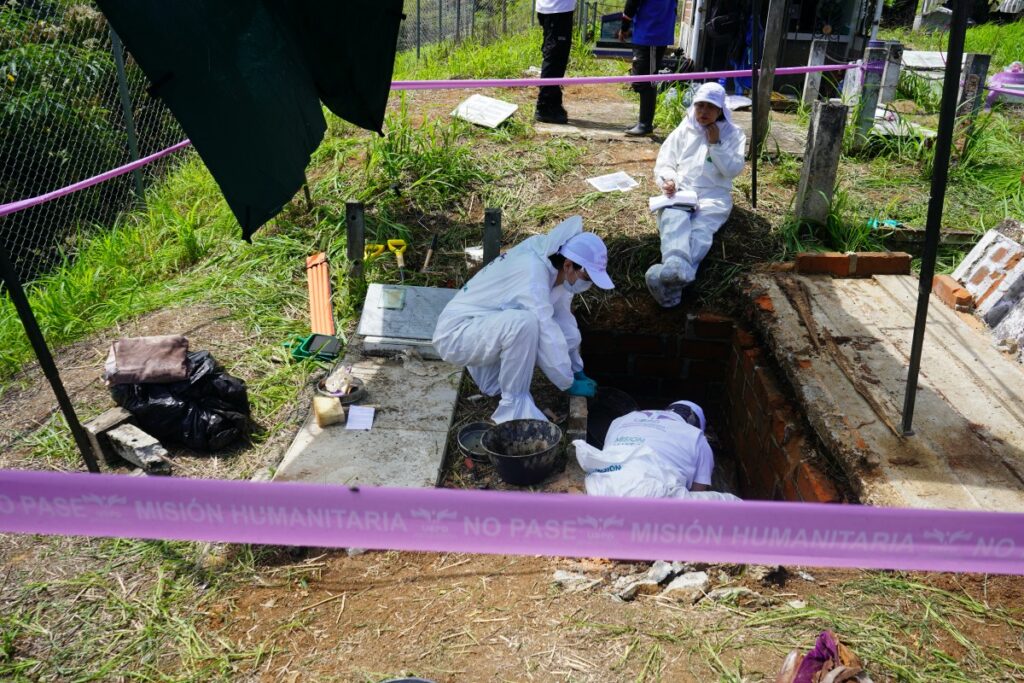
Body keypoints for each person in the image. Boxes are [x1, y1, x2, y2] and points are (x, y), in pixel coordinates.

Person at [432, 216, 614, 424]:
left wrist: (576, 368)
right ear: (569, 264)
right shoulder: (532, 272)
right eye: (587, 277)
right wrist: (567, 382)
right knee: (524, 324)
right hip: (456, 335)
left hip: (482, 325)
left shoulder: (555, 271)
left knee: (527, 322)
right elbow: (545, 328)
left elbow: (564, 323)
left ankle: (493, 383)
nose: (588, 284)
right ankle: (514, 409)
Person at [646, 82, 745, 307]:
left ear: (720, 110)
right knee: (673, 219)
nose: (703, 112)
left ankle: (668, 287)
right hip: (683, 190)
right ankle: (675, 264)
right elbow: (665, 162)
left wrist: (716, 144)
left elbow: (732, 170)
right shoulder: (684, 129)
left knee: (701, 230)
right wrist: (669, 180)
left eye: (710, 107)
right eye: (699, 105)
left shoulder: (733, 134)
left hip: (714, 195)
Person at [574, 399, 741, 500]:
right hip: (654, 495)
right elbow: (697, 493)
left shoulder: (622, 419)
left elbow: (610, 455)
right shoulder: (697, 437)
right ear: (695, 423)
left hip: (601, 488)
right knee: (732, 504)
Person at [617, 0, 678, 136]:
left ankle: (645, 124)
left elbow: (631, 4)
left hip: (651, 33)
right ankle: (643, 122)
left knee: (648, 81)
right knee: (644, 78)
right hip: (654, 30)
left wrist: (624, 26)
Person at [535, 0, 577, 124]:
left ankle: (553, 102)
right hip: (556, 9)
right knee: (554, 56)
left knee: (557, 57)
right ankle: (544, 106)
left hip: (556, 9)